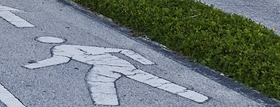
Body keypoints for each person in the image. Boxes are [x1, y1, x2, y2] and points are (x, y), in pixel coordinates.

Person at [24, 36, 208, 106]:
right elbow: (59, 60)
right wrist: (35, 65)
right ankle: (194, 97)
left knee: (149, 80)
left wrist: (145, 61)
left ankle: (194, 96)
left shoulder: (65, 49)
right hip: (106, 65)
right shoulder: (63, 49)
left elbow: (121, 50)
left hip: (112, 63)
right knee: (99, 83)